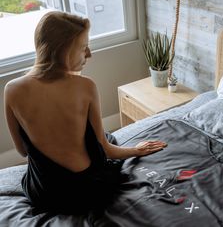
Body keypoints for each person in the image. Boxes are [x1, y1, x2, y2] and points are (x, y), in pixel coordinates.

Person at [4, 11, 167, 214]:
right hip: (87, 191)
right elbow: (107, 150)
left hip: (44, 194)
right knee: (108, 140)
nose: (89, 54)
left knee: (103, 138)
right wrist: (137, 150)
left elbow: (22, 151)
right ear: (63, 50)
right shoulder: (85, 87)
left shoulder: (11, 89)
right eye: (83, 48)